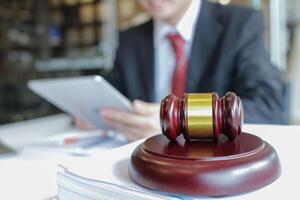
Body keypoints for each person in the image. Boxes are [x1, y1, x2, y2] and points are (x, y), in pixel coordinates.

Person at [78, 0, 286, 141]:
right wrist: (88, 111)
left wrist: (179, 122)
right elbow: (112, 91)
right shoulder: (131, 40)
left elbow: (269, 107)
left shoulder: (239, 25)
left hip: (212, 167)